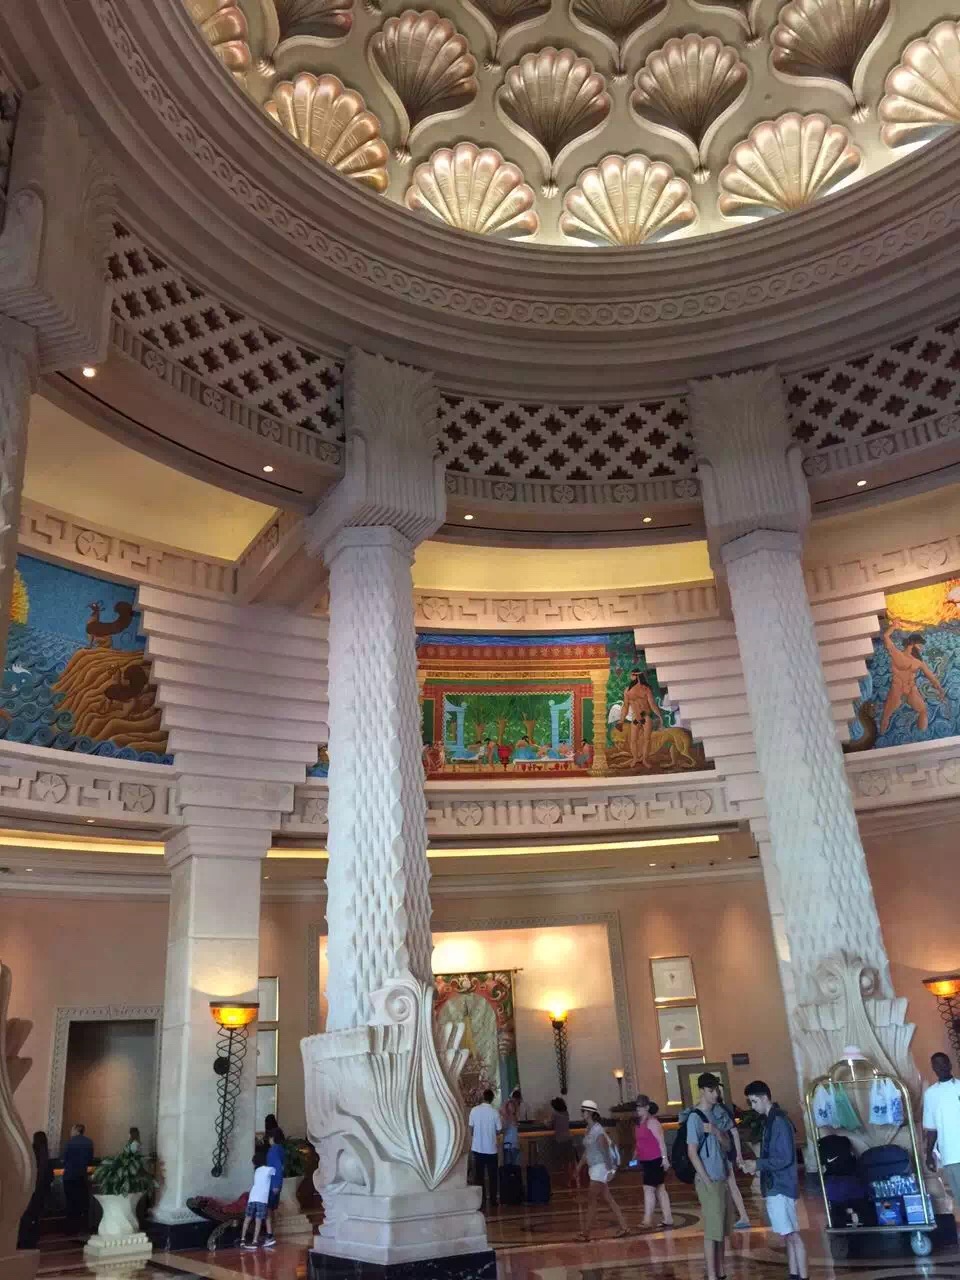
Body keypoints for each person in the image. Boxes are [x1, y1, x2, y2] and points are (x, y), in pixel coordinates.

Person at [740, 1081, 806, 1280]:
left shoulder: (778, 1122)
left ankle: (803, 1275)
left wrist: (757, 1164)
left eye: (754, 1101)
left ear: (764, 1098)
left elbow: (784, 1158)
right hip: (777, 1184)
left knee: (792, 1234)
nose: (752, 1106)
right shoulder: (772, 1120)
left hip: (781, 1185)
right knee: (788, 1234)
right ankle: (794, 1273)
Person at [683, 1072, 734, 1280]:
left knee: (721, 1229)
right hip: (708, 1180)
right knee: (712, 1230)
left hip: (721, 1177)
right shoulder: (694, 1117)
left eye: (717, 1090)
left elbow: (728, 1145)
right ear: (702, 1091)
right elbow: (692, 1152)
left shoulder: (716, 1114)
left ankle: (720, 1271)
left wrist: (716, 1131)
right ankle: (712, 1275)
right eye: (711, 1090)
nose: (715, 1094)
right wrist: (706, 1180)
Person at [573, 1100, 629, 1241]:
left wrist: (610, 1171)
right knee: (608, 1199)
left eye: (584, 1111)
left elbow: (605, 1153)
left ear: (590, 1113)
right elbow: (588, 1151)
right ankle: (624, 1226)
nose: (582, 1113)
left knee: (592, 1200)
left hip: (600, 1168)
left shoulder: (598, 1131)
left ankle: (586, 1233)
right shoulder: (589, 1130)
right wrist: (579, 1166)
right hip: (595, 1168)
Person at [880, 621, 947, 733]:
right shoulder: (896, 654)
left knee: (923, 710)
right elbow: (886, 636)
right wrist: (893, 626)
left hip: (911, 690)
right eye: (919, 645)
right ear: (912, 643)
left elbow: (931, 677)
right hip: (897, 689)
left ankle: (923, 736)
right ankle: (881, 736)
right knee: (886, 717)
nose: (921, 648)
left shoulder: (918, 662)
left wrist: (940, 690)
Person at [923, 1051, 960, 1206]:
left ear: (949, 1065)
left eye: (943, 1063)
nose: (941, 1067)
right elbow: (932, 1129)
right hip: (950, 1155)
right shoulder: (930, 1094)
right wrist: (929, 1155)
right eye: (936, 1065)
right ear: (933, 1068)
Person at [712, 1090, 751, 1228]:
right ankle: (740, 1216)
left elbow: (734, 1132)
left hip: (723, 1153)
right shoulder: (720, 1109)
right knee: (729, 1185)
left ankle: (741, 1216)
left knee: (729, 1184)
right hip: (722, 1153)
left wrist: (738, 1154)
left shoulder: (719, 1111)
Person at [634, 1095, 673, 1229]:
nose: (637, 1109)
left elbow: (661, 1142)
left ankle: (647, 1220)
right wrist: (635, 1155)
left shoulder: (652, 1122)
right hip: (646, 1160)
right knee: (660, 1189)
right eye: (637, 1106)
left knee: (648, 1189)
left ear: (647, 1107)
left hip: (655, 1160)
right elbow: (640, 1142)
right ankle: (668, 1218)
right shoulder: (640, 1123)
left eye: (640, 1106)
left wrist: (664, 1158)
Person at [617, 671, 662, 767]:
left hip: (645, 716)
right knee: (633, 740)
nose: (630, 676)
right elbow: (625, 706)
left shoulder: (646, 689)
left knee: (647, 740)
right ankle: (635, 758)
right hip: (635, 718)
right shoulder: (627, 690)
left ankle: (644, 760)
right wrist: (621, 720)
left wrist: (659, 716)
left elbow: (652, 704)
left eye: (632, 674)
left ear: (637, 676)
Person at [18, 1130, 53, 1249]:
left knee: (26, 1216)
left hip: (29, 1191)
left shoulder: (31, 1153)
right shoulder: (46, 1156)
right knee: (36, 1217)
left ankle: (23, 1240)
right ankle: (32, 1240)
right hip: (41, 1193)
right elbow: (50, 1177)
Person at [469, 1088, 502, 1212]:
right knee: (493, 1176)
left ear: (483, 1097)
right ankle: (493, 1200)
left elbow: (471, 1130)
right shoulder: (494, 1112)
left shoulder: (474, 1110)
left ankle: (481, 1200)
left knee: (479, 1176)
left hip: (477, 1148)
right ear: (492, 1099)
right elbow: (499, 1130)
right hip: (491, 1149)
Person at [61, 1123, 94, 1237]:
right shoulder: (88, 1142)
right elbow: (90, 1160)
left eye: (72, 1130)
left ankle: (70, 1229)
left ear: (76, 1130)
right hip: (82, 1176)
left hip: (70, 1176)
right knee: (82, 1203)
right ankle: (82, 1228)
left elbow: (64, 1159)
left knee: (70, 1203)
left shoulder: (70, 1143)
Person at [240, 1152, 275, 1250]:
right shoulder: (269, 1169)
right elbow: (277, 1172)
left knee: (247, 1218)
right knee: (258, 1220)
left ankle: (242, 1239)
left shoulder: (257, 1171)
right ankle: (254, 1241)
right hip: (262, 1198)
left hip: (252, 1197)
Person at [265, 1128, 286, 1242]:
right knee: (273, 1209)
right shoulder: (281, 1149)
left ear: (272, 1138)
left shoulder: (273, 1150)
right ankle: (272, 1232)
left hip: (272, 1184)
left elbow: (277, 1167)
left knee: (268, 1209)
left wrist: (276, 1184)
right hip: (276, 1183)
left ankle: (269, 1234)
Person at [501, 1088, 522, 1166]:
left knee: (510, 1167)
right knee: (513, 1167)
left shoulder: (508, 1119)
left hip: (510, 1145)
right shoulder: (511, 1119)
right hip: (511, 1145)